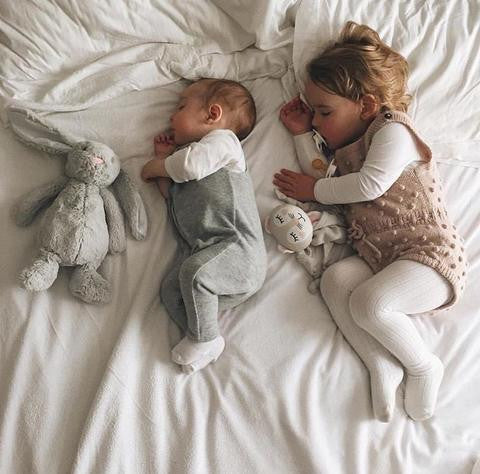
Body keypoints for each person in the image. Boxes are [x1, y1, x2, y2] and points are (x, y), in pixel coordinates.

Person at [274, 21, 467, 421]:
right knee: (335, 279)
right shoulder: (346, 151)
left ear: (365, 105)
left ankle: (423, 365)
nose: (316, 121)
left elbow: (368, 185)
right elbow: (321, 173)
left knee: (370, 304)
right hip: (383, 257)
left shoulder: (392, 130)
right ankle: (380, 361)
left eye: (324, 112)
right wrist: (300, 134)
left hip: (430, 256)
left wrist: (314, 190)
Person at [142, 78, 267, 374]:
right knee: (171, 291)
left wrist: (155, 166)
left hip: (237, 251)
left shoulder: (223, 143)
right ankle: (204, 336)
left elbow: (188, 168)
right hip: (211, 257)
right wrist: (163, 161)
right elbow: (172, 195)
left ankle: (206, 339)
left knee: (194, 274)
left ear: (212, 114)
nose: (171, 117)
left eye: (181, 107)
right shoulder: (191, 159)